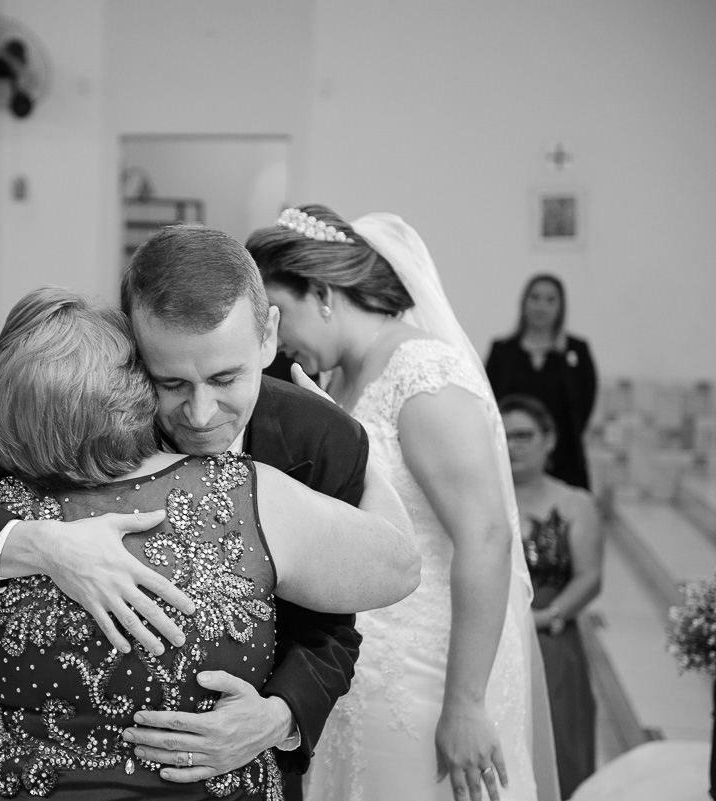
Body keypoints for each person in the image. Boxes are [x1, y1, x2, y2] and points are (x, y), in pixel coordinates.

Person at [0, 225, 412, 796]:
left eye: (226, 378)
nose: (200, 413)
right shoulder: (76, 417)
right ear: (133, 348)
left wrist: (279, 716)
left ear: (269, 336)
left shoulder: (321, 436)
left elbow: (334, 623)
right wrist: (44, 545)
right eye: (170, 383)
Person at [246, 205, 555, 801]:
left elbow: (486, 535)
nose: (274, 337)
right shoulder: (339, 378)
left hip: (429, 675)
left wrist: (465, 703)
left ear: (322, 293)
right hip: (359, 672)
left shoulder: (422, 374)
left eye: (278, 313)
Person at [502, 393, 602, 799]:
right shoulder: (484, 495)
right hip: (494, 630)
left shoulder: (575, 502)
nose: (513, 445)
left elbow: (589, 578)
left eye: (524, 435)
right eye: (504, 435)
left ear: (550, 439)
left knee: (559, 740)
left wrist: (545, 617)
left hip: (552, 635)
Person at [485, 274, 597, 490]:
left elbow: (584, 406)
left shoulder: (576, 352)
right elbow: (490, 404)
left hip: (564, 460)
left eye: (550, 299)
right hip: (510, 459)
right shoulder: (502, 351)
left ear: (561, 306)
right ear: (524, 302)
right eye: (535, 297)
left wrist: (547, 443)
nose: (541, 306)